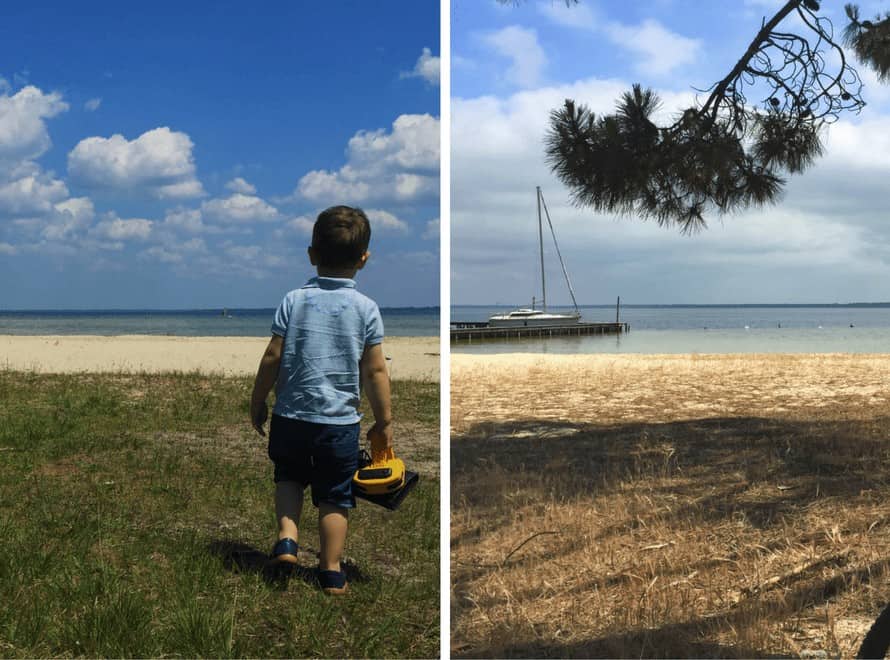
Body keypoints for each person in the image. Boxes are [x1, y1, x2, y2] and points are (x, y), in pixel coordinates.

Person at [249, 205, 393, 595]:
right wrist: (383, 420)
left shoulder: (293, 301)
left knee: (289, 477)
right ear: (364, 260)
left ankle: (287, 539)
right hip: (339, 424)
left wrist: (258, 399)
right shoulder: (366, 309)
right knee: (334, 496)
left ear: (312, 254)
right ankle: (330, 570)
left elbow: (273, 356)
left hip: (290, 417)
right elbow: (375, 371)